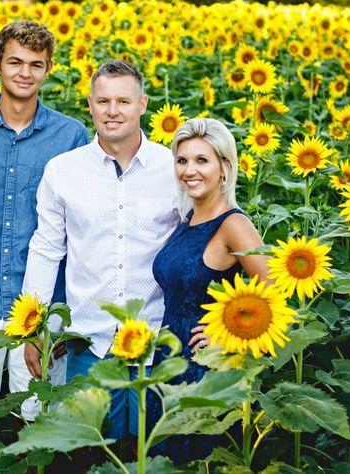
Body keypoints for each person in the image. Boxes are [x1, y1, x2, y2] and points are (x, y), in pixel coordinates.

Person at [21, 60, 180, 441]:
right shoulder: (63, 171)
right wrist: (35, 326)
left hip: (158, 340)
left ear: (142, 105)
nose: (113, 111)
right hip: (89, 341)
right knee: (89, 449)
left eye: (123, 101)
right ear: (89, 105)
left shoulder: (173, 168)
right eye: (103, 101)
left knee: (151, 450)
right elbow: (46, 250)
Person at [0, 20, 89, 438]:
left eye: (36, 64)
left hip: (43, 307)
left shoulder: (71, 136)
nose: (25, 73)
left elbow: (83, 229)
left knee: (36, 424)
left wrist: (66, 319)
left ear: (48, 70)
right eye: (15, 62)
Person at [149, 117, 269, 463]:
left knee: (195, 461)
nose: (189, 170)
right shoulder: (187, 219)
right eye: (182, 160)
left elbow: (275, 296)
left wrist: (228, 336)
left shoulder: (234, 225)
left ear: (225, 167)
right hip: (168, 362)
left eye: (202, 160)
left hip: (205, 369)